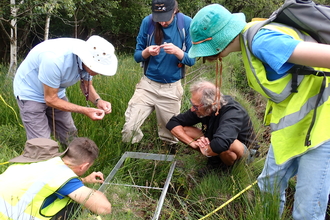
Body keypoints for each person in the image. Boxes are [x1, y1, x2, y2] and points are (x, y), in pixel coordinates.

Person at [188, 4, 330, 220]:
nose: (207, 58)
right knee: (268, 187)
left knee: (306, 213)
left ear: (217, 42)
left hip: (320, 130)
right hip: (292, 130)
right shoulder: (250, 39)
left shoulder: (262, 41)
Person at [14, 35, 118, 146]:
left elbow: (86, 84)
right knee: (42, 146)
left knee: (69, 135)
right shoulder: (54, 59)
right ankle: (43, 159)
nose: (100, 72)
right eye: (97, 68)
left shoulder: (91, 56)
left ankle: (72, 161)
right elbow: (50, 99)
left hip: (56, 93)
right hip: (31, 93)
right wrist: (85, 110)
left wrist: (98, 101)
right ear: (87, 60)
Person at [121, 0, 195, 146]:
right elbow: (137, 56)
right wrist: (147, 52)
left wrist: (178, 52)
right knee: (129, 128)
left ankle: (168, 157)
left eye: (165, 18)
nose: (162, 23)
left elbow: (192, 60)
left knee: (171, 134)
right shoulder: (147, 22)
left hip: (171, 88)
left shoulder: (186, 23)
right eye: (158, 18)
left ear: (174, 10)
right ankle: (132, 152)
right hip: (147, 86)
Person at [0, 137, 111, 219]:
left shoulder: (41, 161)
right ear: (84, 166)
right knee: (72, 204)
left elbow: (42, 182)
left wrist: (84, 180)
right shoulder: (63, 176)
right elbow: (104, 208)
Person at [166, 79, 258, 169]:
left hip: (245, 153)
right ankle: (214, 158)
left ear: (210, 104)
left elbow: (221, 144)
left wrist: (206, 148)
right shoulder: (203, 108)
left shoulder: (233, 113)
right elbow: (173, 123)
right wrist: (193, 144)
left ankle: (227, 170)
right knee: (184, 130)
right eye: (192, 103)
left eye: (195, 106)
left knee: (229, 145)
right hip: (217, 141)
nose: (192, 109)